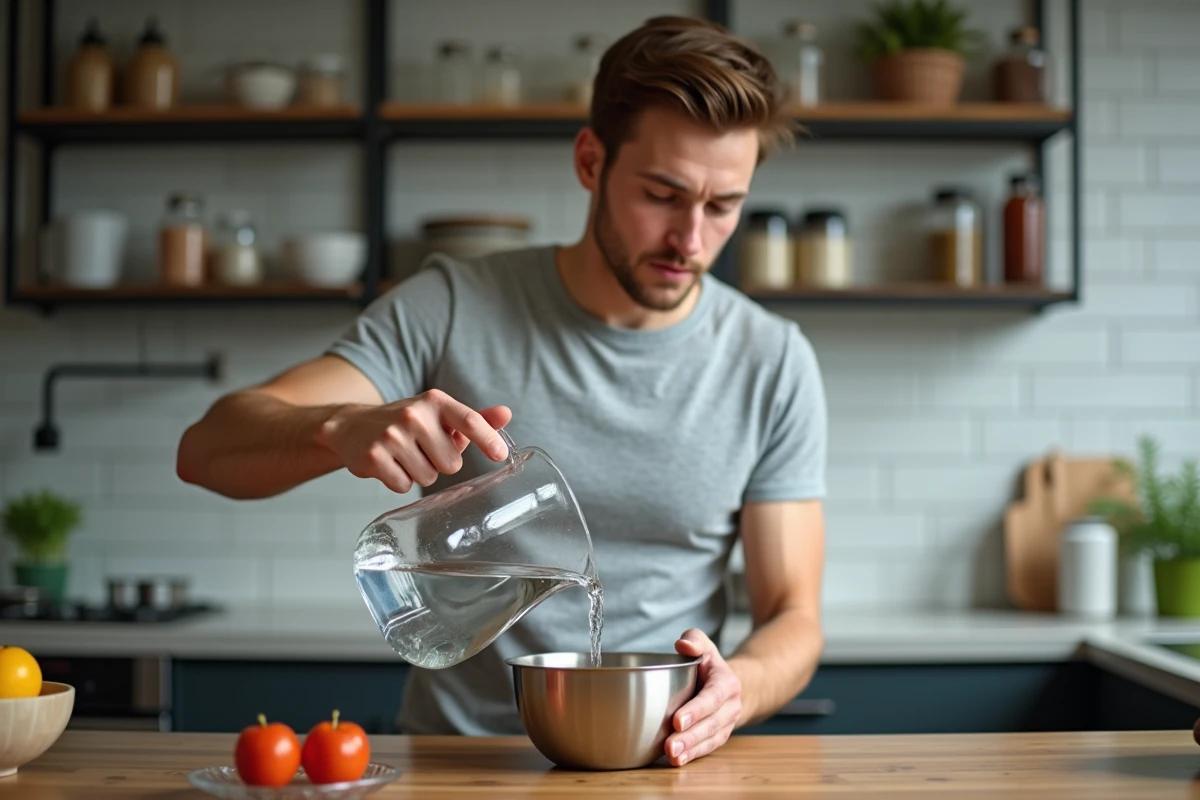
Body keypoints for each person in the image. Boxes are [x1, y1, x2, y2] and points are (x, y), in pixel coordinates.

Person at [177, 15, 827, 767]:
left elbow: (793, 616)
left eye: (723, 207)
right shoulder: (453, 305)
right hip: (458, 764)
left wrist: (737, 687)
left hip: (662, 766)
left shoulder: (772, 360)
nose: (690, 239)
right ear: (591, 161)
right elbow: (208, 449)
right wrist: (340, 427)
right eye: (662, 194)